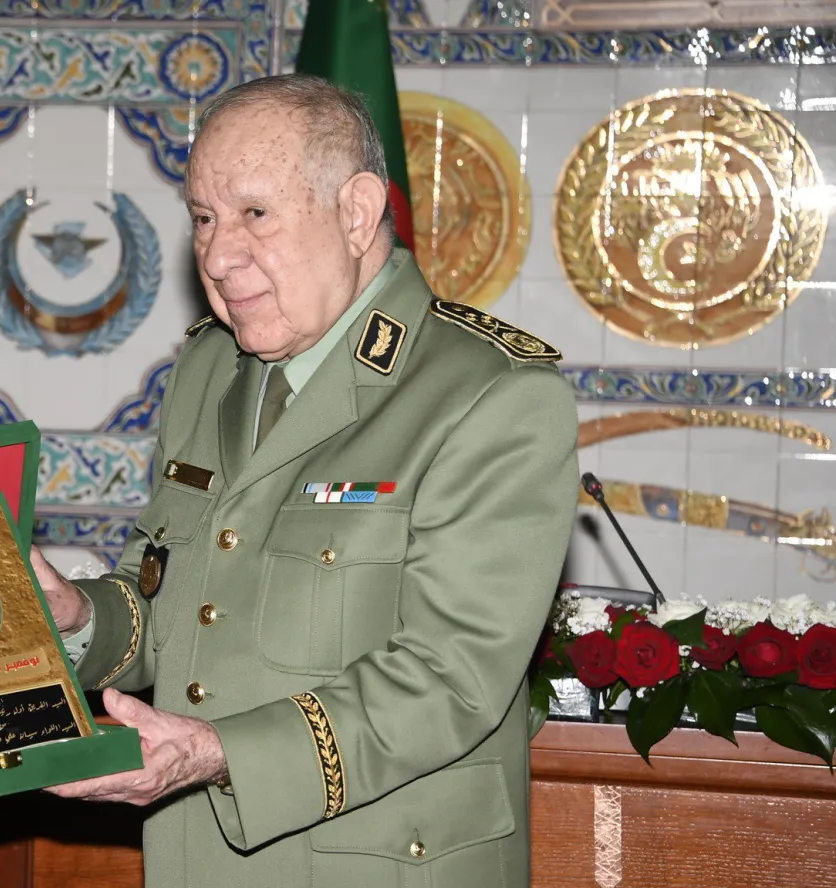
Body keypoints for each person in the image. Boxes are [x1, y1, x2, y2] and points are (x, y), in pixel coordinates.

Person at [33, 74, 578, 888]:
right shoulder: (210, 370)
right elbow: (175, 606)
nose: (218, 255)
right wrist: (78, 619)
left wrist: (217, 754)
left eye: (255, 214)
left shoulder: (490, 394)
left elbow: (449, 679)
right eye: (204, 218)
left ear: (358, 213)